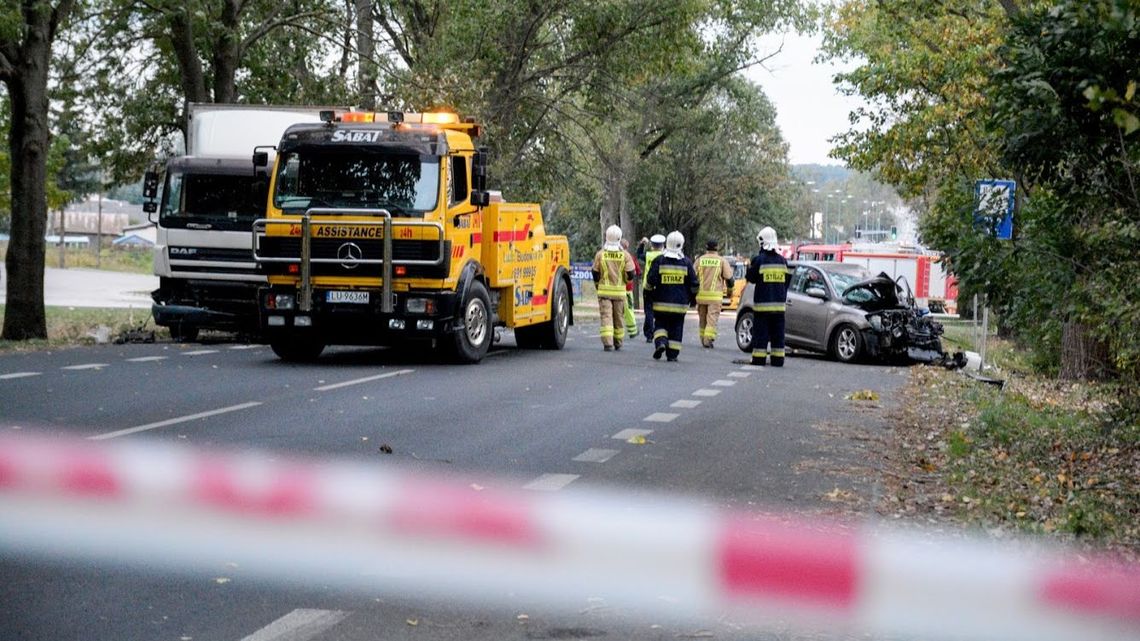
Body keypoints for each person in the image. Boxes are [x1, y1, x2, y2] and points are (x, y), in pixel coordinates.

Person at [645, 231, 697, 362]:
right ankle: (672, 354)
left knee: (660, 324)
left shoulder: (659, 261)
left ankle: (661, 342)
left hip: (660, 304)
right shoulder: (687, 263)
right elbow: (694, 284)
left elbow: (650, 280)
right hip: (680, 306)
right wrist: (693, 299)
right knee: (676, 328)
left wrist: (649, 292)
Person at [745, 226, 791, 366]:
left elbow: (751, 278)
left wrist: (749, 267)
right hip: (779, 307)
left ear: (762, 242)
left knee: (761, 334)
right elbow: (786, 282)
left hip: (762, 308)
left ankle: (759, 359)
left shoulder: (759, 260)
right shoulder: (783, 261)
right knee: (778, 334)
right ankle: (778, 359)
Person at [592, 225, 636, 351]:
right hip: (619, 293)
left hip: (604, 292)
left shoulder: (600, 255)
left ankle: (608, 343)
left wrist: (598, 286)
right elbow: (631, 273)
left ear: (606, 237)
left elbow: (595, 273)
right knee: (619, 317)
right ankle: (618, 341)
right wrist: (625, 281)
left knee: (606, 317)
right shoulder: (625, 255)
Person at [695, 239, 734, 348]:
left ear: (706, 247)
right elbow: (730, 279)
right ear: (717, 247)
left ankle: (703, 339)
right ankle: (708, 340)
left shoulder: (699, 260)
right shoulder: (721, 261)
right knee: (711, 319)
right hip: (715, 297)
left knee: (702, 319)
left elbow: (692, 277)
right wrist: (730, 292)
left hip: (701, 296)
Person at [641, 234, 666, 342]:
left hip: (648, 286)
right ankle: (660, 332)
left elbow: (638, 255)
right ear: (663, 245)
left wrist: (642, 244)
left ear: (652, 244)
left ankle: (649, 334)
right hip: (661, 287)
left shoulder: (648, 255)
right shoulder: (665, 257)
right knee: (660, 311)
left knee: (649, 311)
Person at [620, 238, 641, 340]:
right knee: (629, 310)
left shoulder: (614, 255)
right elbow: (636, 271)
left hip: (616, 287)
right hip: (627, 288)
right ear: (626, 247)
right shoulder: (630, 257)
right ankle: (633, 331)